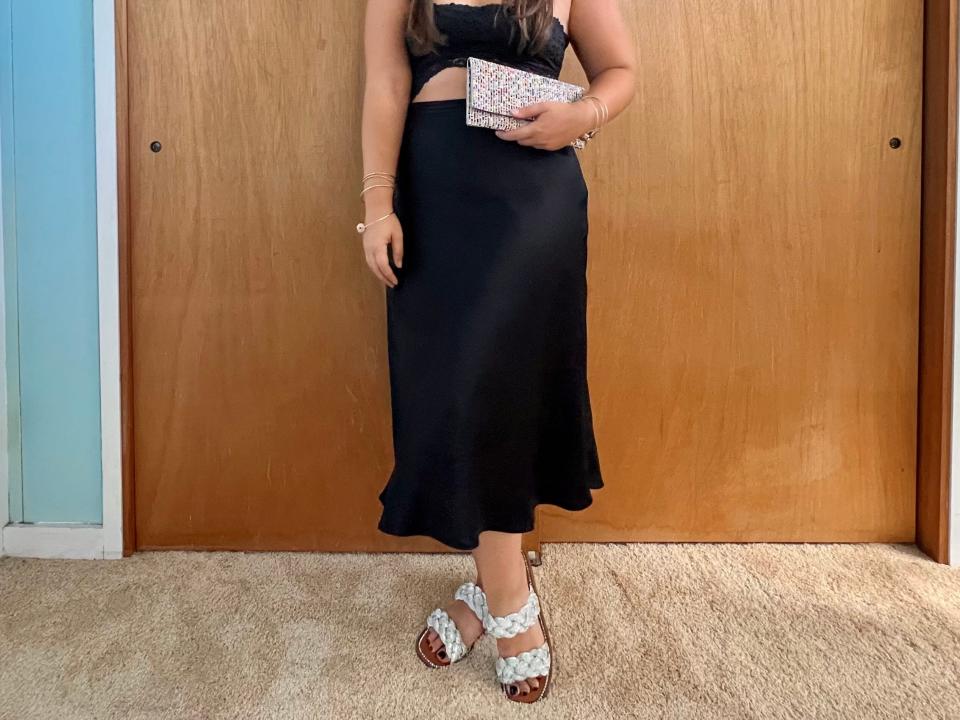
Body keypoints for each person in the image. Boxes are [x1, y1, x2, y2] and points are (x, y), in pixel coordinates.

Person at [359, 0, 636, 703]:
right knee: (453, 390)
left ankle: (505, 601)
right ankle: (497, 589)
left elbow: (620, 72)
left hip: (532, 201)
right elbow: (387, 82)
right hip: (434, 193)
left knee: (505, 390)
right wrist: (379, 202)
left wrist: (585, 116)